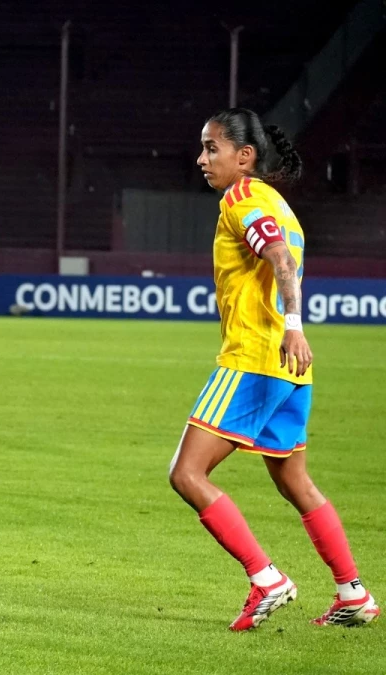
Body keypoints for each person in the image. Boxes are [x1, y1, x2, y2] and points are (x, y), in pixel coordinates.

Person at [168, 108, 377, 630]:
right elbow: (285, 253)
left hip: (254, 360)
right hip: (289, 370)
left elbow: (280, 259)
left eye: (211, 148)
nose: (201, 159)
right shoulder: (279, 203)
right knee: (295, 482)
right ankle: (353, 593)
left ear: (245, 157)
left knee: (187, 474)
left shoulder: (240, 197)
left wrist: (294, 323)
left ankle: (266, 578)